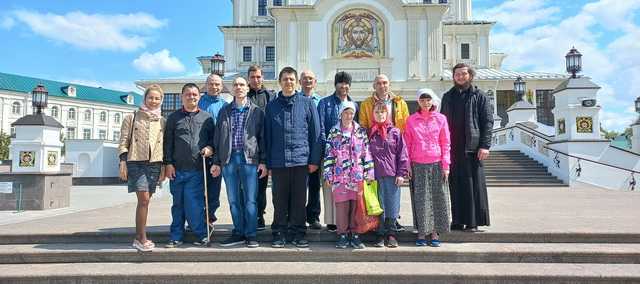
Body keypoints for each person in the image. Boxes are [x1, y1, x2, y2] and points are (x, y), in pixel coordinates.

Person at [264, 66, 321, 248]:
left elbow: (316, 133)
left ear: (296, 82)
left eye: (291, 79)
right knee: (279, 199)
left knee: (298, 199)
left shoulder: (307, 103)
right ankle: (279, 232)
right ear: (279, 82)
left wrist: (314, 160)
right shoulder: (271, 106)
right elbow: (267, 136)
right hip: (279, 162)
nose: (288, 82)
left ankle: (298, 232)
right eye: (285, 79)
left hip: (301, 160)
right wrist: (268, 162)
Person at [210, 77, 268, 248]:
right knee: (233, 199)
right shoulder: (224, 111)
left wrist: (263, 162)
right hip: (228, 160)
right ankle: (238, 232)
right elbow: (217, 137)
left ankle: (250, 234)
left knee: (251, 200)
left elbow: (262, 138)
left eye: (242, 84)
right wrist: (216, 162)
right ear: (232, 89)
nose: (238, 87)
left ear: (247, 88)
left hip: (249, 160)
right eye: (235, 85)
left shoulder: (257, 112)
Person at [440, 63, 493, 233]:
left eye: (464, 74)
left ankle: (472, 221)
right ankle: (457, 220)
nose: (461, 77)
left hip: (472, 148)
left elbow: (487, 122)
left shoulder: (480, 96)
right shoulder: (447, 96)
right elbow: (441, 124)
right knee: (455, 185)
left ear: (470, 75)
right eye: (457, 74)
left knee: (472, 185)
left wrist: (485, 145)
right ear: (453, 77)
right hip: (452, 149)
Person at [163, 83, 215, 248]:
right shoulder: (173, 118)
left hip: (197, 169)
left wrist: (209, 148)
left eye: (194, 94)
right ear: (181, 97)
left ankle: (201, 234)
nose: (191, 97)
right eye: (188, 94)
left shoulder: (207, 118)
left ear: (199, 97)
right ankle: (176, 236)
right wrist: (168, 164)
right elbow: (168, 143)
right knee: (177, 204)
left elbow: (213, 140)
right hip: (177, 170)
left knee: (195, 204)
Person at [358, 74, 410, 232]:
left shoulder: (399, 102)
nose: (382, 86)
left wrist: (403, 168)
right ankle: (378, 229)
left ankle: (392, 226)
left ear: (389, 84)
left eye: (385, 82)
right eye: (379, 83)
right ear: (374, 86)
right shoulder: (367, 104)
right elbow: (363, 125)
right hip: (374, 154)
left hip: (392, 151)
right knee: (377, 198)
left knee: (392, 196)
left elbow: (405, 125)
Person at [118, 84, 166, 252]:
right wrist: (122, 160)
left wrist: (164, 166)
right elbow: (124, 140)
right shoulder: (132, 117)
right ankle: (141, 238)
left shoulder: (161, 120)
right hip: (136, 161)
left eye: (157, 98)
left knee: (146, 201)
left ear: (161, 101)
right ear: (145, 98)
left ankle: (139, 236)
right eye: (151, 97)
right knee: (143, 199)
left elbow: (164, 145)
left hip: (155, 163)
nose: (153, 101)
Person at [323, 101, 374, 249]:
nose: (348, 116)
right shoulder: (334, 131)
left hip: (357, 176)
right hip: (340, 177)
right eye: (345, 113)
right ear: (340, 114)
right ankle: (343, 235)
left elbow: (367, 153)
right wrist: (328, 174)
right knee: (342, 207)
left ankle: (356, 235)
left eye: (351, 113)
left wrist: (369, 172)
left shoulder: (360, 131)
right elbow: (329, 154)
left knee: (356, 207)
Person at [405, 88, 451, 247]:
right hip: (418, 164)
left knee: (438, 198)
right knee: (421, 199)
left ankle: (435, 232)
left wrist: (446, 165)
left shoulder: (441, 119)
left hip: (437, 163)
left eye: (428, 99)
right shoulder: (411, 120)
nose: (425, 103)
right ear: (418, 102)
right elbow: (408, 144)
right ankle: (422, 233)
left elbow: (445, 143)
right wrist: (408, 165)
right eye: (422, 100)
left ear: (433, 101)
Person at [317, 71, 358, 233]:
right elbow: (320, 128)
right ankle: (331, 221)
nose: (344, 86)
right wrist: (326, 150)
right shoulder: (325, 103)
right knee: (329, 187)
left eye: (346, 83)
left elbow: (356, 128)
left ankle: (346, 220)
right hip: (330, 153)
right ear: (335, 85)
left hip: (349, 157)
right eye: (340, 83)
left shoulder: (354, 104)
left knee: (346, 188)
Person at [368, 101, 409, 248]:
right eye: (377, 112)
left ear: (387, 114)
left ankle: (391, 234)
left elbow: (402, 154)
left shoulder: (395, 132)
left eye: (382, 112)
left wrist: (401, 173)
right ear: (373, 114)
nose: (380, 114)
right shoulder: (369, 133)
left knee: (392, 205)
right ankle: (379, 234)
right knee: (378, 205)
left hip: (392, 175)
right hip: (374, 176)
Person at [247, 65, 276, 231]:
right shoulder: (244, 95)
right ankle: (248, 215)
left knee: (261, 186)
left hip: (264, 147)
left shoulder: (270, 96)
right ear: (248, 78)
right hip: (247, 148)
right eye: (252, 77)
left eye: (258, 77)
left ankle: (259, 215)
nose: (255, 80)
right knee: (246, 186)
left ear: (262, 78)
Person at [199, 73, 228, 225]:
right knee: (198, 188)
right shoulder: (198, 102)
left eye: (217, 84)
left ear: (221, 87)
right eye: (211, 83)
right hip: (199, 152)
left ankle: (209, 216)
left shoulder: (225, 106)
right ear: (206, 85)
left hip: (217, 154)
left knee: (213, 189)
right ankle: (196, 217)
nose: (214, 87)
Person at [300, 70, 323, 230]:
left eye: (310, 79)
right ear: (300, 82)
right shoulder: (295, 99)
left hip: (315, 148)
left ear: (315, 82)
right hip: (299, 149)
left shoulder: (321, 102)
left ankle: (313, 216)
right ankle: (298, 216)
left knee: (314, 185)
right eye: (305, 79)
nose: (308, 81)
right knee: (298, 187)